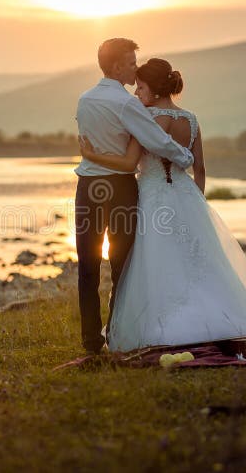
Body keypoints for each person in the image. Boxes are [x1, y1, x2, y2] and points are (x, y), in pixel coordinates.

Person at [79, 57, 246, 352]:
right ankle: (220, 318)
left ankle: (161, 325)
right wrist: (196, 205)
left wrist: (91, 154)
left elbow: (128, 162)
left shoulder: (147, 118)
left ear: (154, 89)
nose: (137, 93)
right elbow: (199, 169)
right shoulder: (190, 119)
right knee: (198, 264)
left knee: (154, 264)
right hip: (186, 196)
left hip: (152, 198)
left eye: (141, 87)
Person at [74, 39, 194, 355]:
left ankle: (90, 342)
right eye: (130, 63)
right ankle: (117, 333)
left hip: (87, 188)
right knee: (121, 265)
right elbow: (156, 140)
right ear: (115, 67)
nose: (135, 68)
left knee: (87, 263)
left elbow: (88, 142)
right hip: (118, 187)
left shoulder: (84, 100)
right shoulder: (128, 104)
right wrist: (185, 157)